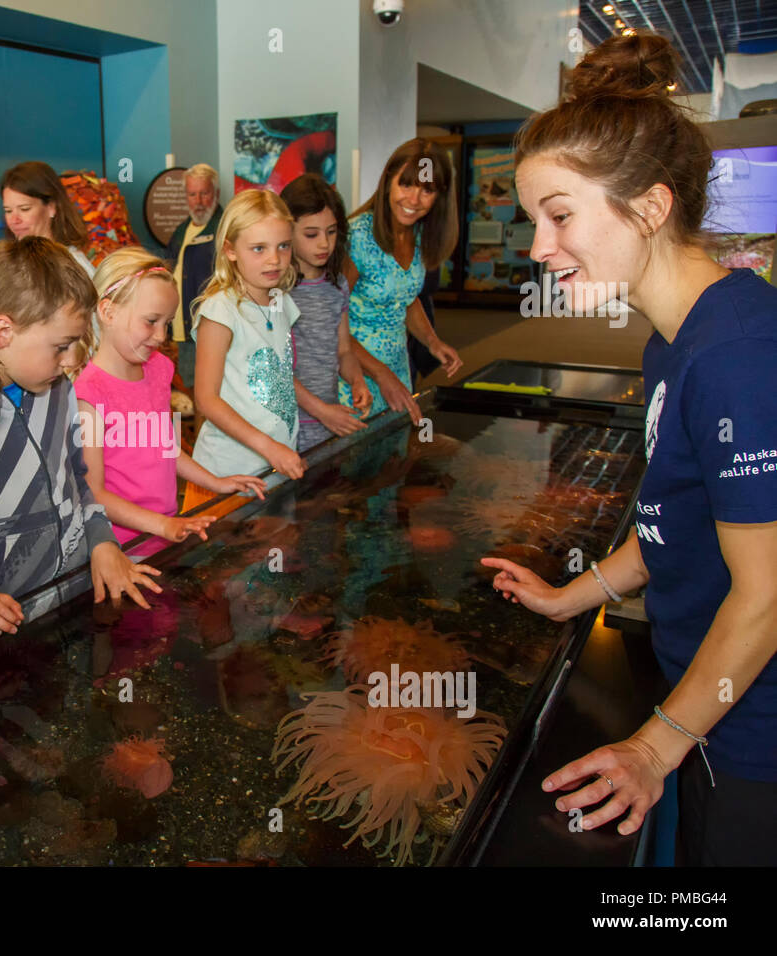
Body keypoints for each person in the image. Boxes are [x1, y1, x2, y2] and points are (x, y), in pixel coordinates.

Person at [483, 34, 777, 866]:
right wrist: (570, 599)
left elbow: (767, 595)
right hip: (699, 702)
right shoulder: (671, 340)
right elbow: (673, 526)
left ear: (649, 207)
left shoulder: (738, 356)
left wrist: (656, 745)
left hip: (751, 738)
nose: (539, 248)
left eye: (560, 215)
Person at [0, 236, 163, 625]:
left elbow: (78, 478)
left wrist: (102, 539)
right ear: (2, 331)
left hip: (73, 598)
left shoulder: (58, 390)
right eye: (61, 346)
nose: (72, 360)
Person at [75, 247, 267, 556]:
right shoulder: (89, 392)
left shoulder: (159, 369)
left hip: (165, 532)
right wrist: (161, 525)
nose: (160, 336)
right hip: (122, 546)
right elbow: (94, 492)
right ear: (108, 312)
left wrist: (216, 482)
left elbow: (166, 448)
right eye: (150, 321)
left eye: (167, 323)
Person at [184, 189, 310, 518]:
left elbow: (279, 376)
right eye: (259, 248)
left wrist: (321, 410)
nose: (274, 259)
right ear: (230, 250)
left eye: (283, 246)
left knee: (272, 559)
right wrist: (269, 447)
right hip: (229, 471)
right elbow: (207, 400)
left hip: (275, 465)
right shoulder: (220, 310)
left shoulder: (281, 301)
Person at [281, 172, 422, 451]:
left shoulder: (337, 285)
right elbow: (273, 369)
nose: (324, 244)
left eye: (331, 232)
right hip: (285, 426)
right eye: (311, 234)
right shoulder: (275, 291)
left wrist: (358, 381)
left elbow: (344, 351)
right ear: (286, 230)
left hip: (327, 421)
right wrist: (320, 410)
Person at [343, 139, 463, 417]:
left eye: (427, 190)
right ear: (388, 182)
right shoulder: (357, 236)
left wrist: (433, 342)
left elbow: (405, 299)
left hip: (397, 368)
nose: (413, 200)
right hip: (355, 375)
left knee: (394, 454)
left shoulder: (420, 237)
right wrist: (380, 375)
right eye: (406, 185)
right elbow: (329, 320)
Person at [166, 163, 224, 390]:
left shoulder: (224, 228)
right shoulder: (180, 232)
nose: (198, 201)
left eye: (204, 193)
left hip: (213, 329)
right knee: (191, 391)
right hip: (185, 333)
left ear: (216, 193)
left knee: (214, 393)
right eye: (192, 194)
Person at [0, 160, 95, 278]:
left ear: (51, 207)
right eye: (8, 211)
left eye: (25, 209)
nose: (14, 220)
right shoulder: (8, 266)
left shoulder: (75, 267)